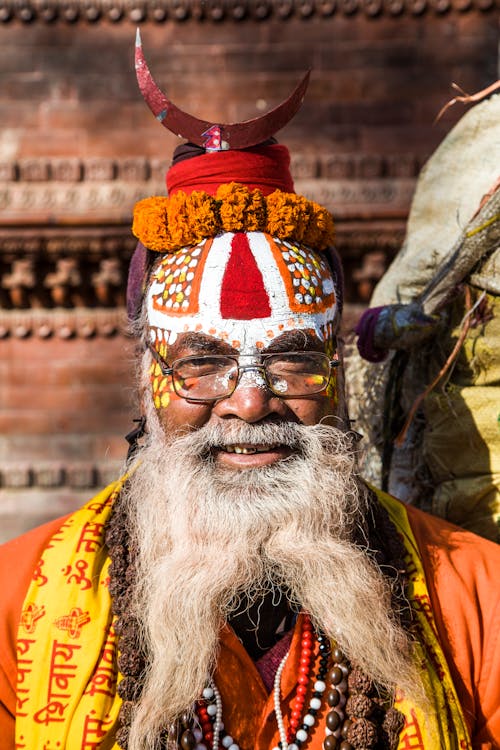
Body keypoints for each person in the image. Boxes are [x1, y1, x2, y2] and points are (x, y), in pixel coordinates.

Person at [0, 34, 498, 750]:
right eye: (202, 365)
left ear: (337, 375)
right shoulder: (17, 612)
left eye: (292, 363)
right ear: (148, 378)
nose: (249, 403)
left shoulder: (473, 600)